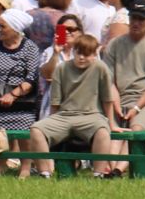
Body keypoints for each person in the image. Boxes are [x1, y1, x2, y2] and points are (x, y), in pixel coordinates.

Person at [26, 32, 117, 179]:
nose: (81, 57)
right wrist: (51, 124)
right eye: (78, 53)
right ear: (73, 51)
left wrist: (112, 123)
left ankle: (99, 173)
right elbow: (55, 102)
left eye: (86, 54)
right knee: (36, 129)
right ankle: (44, 172)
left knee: (102, 132)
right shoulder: (61, 68)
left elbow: (107, 99)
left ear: (94, 55)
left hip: (91, 115)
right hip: (64, 116)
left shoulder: (101, 68)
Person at [103, 0, 145, 170]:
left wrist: (136, 108)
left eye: (141, 19)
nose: (136, 22)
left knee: (136, 127)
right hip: (118, 98)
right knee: (112, 128)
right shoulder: (114, 45)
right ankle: (109, 167)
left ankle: (119, 169)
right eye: (133, 18)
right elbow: (109, 81)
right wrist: (116, 103)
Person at [0, 8, 42, 165]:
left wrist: (13, 95)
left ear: (15, 28)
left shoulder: (30, 48)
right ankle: (1, 165)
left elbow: (31, 78)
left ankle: (25, 167)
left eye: (3, 26)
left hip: (23, 101)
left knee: (25, 130)